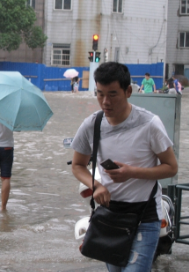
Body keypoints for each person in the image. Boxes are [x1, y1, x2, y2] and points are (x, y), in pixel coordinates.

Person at [71, 62, 178, 272]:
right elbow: (77, 166)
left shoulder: (150, 124)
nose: (105, 102)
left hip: (145, 215)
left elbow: (171, 167)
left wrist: (132, 172)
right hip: (111, 215)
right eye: (100, 94)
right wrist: (97, 186)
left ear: (128, 91)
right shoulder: (91, 124)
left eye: (112, 94)